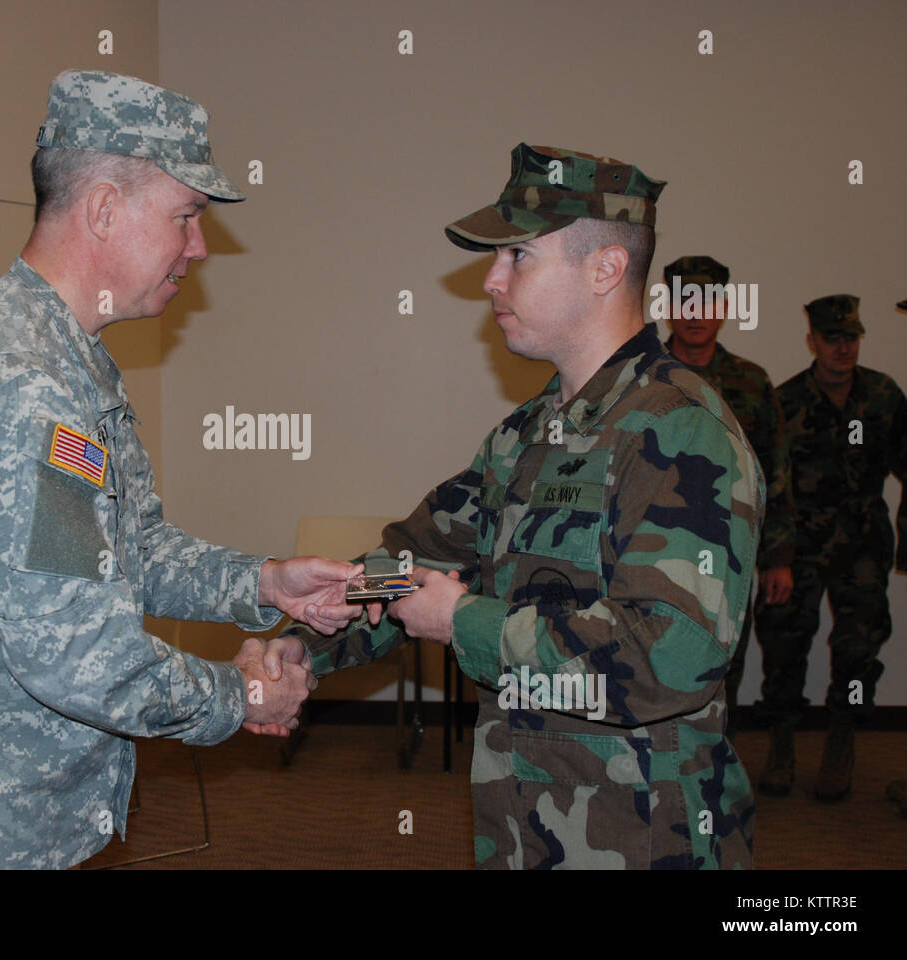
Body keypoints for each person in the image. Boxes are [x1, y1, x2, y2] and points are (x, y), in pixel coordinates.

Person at [0, 70, 359, 869]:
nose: (199, 246)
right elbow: (80, 659)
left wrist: (264, 584)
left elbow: (127, 550)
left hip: (16, 811)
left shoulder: (70, 362)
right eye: (186, 216)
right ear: (105, 209)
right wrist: (244, 693)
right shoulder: (28, 386)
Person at [264, 144, 764, 869]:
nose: (492, 281)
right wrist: (301, 646)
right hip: (524, 826)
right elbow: (413, 560)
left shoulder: (682, 431)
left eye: (519, 256)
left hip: (644, 839)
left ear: (605, 269)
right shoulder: (529, 432)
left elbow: (673, 653)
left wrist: (464, 621)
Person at [753, 295, 907, 801]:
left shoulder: (884, 396)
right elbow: (771, 483)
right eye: (833, 338)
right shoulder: (787, 400)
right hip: (799, 545)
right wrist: (775, 557)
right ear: (812, 341)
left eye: (852, 337)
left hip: (863, 546)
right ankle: (780, 747)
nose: (844, 348)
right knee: (783, 648)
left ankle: (842, 742)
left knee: (858, 653)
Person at [660, 255, 795, 738]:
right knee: (652, 651)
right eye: (685, 302)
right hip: (651, 546)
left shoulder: (752, 382)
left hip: (729, 548)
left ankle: (713, 760)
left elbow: (775, 474)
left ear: (723, 308)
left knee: (724, 658)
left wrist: (778, 556)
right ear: (669, 308)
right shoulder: (642, 377)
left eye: (707, 301)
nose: (696, 314)